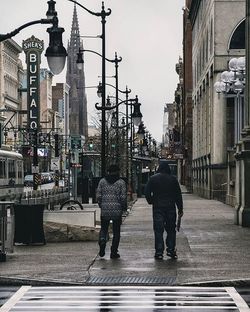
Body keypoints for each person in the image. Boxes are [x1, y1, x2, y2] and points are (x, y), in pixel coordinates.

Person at [145, 161, 183, 260]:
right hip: (170, 207)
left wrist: (151, 201)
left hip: (158, 207)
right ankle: (170, 249)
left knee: (158, 230)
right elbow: (178, 195)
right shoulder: (173, 179)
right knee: (171, 229)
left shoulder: (153, 179)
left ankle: (159, 251)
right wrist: (180, 208)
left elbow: (147, 192)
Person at [96, 164, 127, 259]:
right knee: (116, 231)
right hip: (117, 210)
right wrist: (123, 207)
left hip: (105, 210)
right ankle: (114, 252)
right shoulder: (121, 182)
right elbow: (123, 197)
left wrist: (101, 205)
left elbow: (98, 196)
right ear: (117, 172)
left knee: (104, 229)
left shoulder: (102, 181)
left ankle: (102, 240)